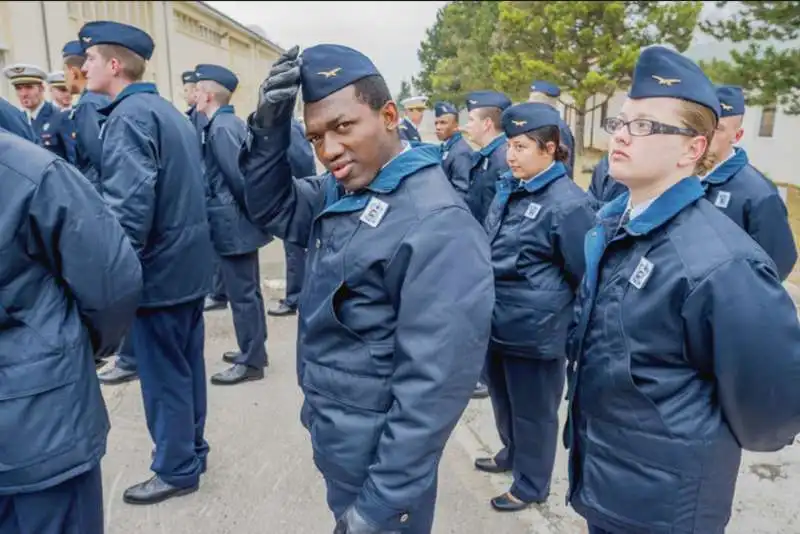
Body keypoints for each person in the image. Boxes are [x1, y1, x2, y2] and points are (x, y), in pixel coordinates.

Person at [240, 43, 494, 533]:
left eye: (343, 126)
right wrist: (268, 132)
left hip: (380, 467)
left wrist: (381, 506)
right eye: (315, 137)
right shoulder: (349, 189)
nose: (329, 150)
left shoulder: (435, 223)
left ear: (390, 116)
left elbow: (433, 389)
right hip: (344, 439)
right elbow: (272, 208)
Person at [565, 45, 800, 534]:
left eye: (647, 126)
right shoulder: (614, 224)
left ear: (693, 149)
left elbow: (769, 410)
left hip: (666, 503)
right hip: (607, 479)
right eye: (622, 122)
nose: (624, 136)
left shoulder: (720, 262)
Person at [80, 20, 214, 504]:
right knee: (185, 365)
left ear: (115, 65)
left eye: (90, 59)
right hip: (188, 267)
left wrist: (110, 279)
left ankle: (176, 467)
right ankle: (192, 449)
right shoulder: (161, 110)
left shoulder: (129, 117)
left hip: (159, 272)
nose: (83, 67)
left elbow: (128, 209)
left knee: (163, 375)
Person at [0, 128, 142, 533]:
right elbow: (113, 281)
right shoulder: (32, 170)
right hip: (43, 426)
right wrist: (86, 349)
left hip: (37, 424)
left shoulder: (31, 171)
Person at [474, 102, 595, 512]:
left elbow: (583, 276)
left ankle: (531, 484)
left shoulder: (569, 204)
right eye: (510, 144)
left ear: (550, 149)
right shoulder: (511, 188)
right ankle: (512, 454)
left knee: (534, 412)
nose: (511, 154)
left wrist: (571, 334)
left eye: (522, 146)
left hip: (537, 332)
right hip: (498, 321)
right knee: (503, 401)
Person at [194, 63, 271, 385]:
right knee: (247, 292)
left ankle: (251, 361)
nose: (193, 95)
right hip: (234, 219)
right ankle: (254, 349)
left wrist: (249, 214)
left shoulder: (222, 127)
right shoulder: (225, 123)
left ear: (209, 94)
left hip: (231, 221)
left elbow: (238, 178)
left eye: (197, 90)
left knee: (242, 294)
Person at [701, 84, 797, 280]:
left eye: (718, 129)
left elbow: (778, 261)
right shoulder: (681, 175)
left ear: (737, 136)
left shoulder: (758, 193)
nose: (707, 135)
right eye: (703, 125)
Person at [463, 90, 511, 400]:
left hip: (489, 249)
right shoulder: (485, 157)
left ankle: (483, 376)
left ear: (488, 124)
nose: (467, 126)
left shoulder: (501, 158)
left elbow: (497, 211)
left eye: (471, 120)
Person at [268, 117, 317, 317]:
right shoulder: (287, 125)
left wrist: (295, 187)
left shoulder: (287, 126)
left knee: (294, 251)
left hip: (296, 194)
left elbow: (301, 160)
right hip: (295, 193)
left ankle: (295, 298)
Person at [2, 64, 71, 159]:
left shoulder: (60, 117)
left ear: (42, 88)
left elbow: (73, 159)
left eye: (29, 87)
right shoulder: (19, 118)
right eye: (18, 88)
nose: (23, 94)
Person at [529, 80, 575, 178]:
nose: (529, 103)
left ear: (547, 102)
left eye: (535, 99)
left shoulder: (558, 127)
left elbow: (564, 165)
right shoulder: (542, 124)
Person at [434, 101, 472, 199]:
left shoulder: (461, 152)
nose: (438, 127)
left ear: (456, 126)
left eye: (443, 123)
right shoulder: (447, 146)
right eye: (436, 123)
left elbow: (462, 191)